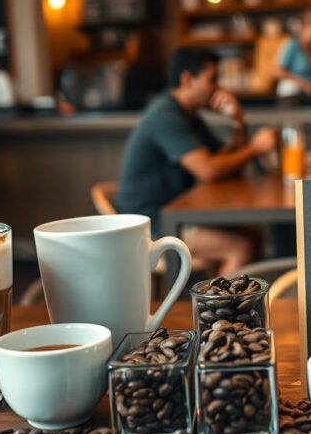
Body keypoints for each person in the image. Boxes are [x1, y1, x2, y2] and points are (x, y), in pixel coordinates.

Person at [115, 47, 277, 276]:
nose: (218, 88)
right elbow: (208, 171)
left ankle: (239, 305)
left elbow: (223, 161)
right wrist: (256, 148)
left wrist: (238, 122)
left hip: (177, 214)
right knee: (241, 247)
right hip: (152, 225)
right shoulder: (165, 115)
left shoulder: (188, 115)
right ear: (188, 79)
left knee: (254, 233)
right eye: (212, 79)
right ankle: (221, 312)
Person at [275, 8, 311, 106]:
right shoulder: (292, 45)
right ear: (306, 26)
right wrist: (305, 84)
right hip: (291, 94)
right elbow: (278, 71)